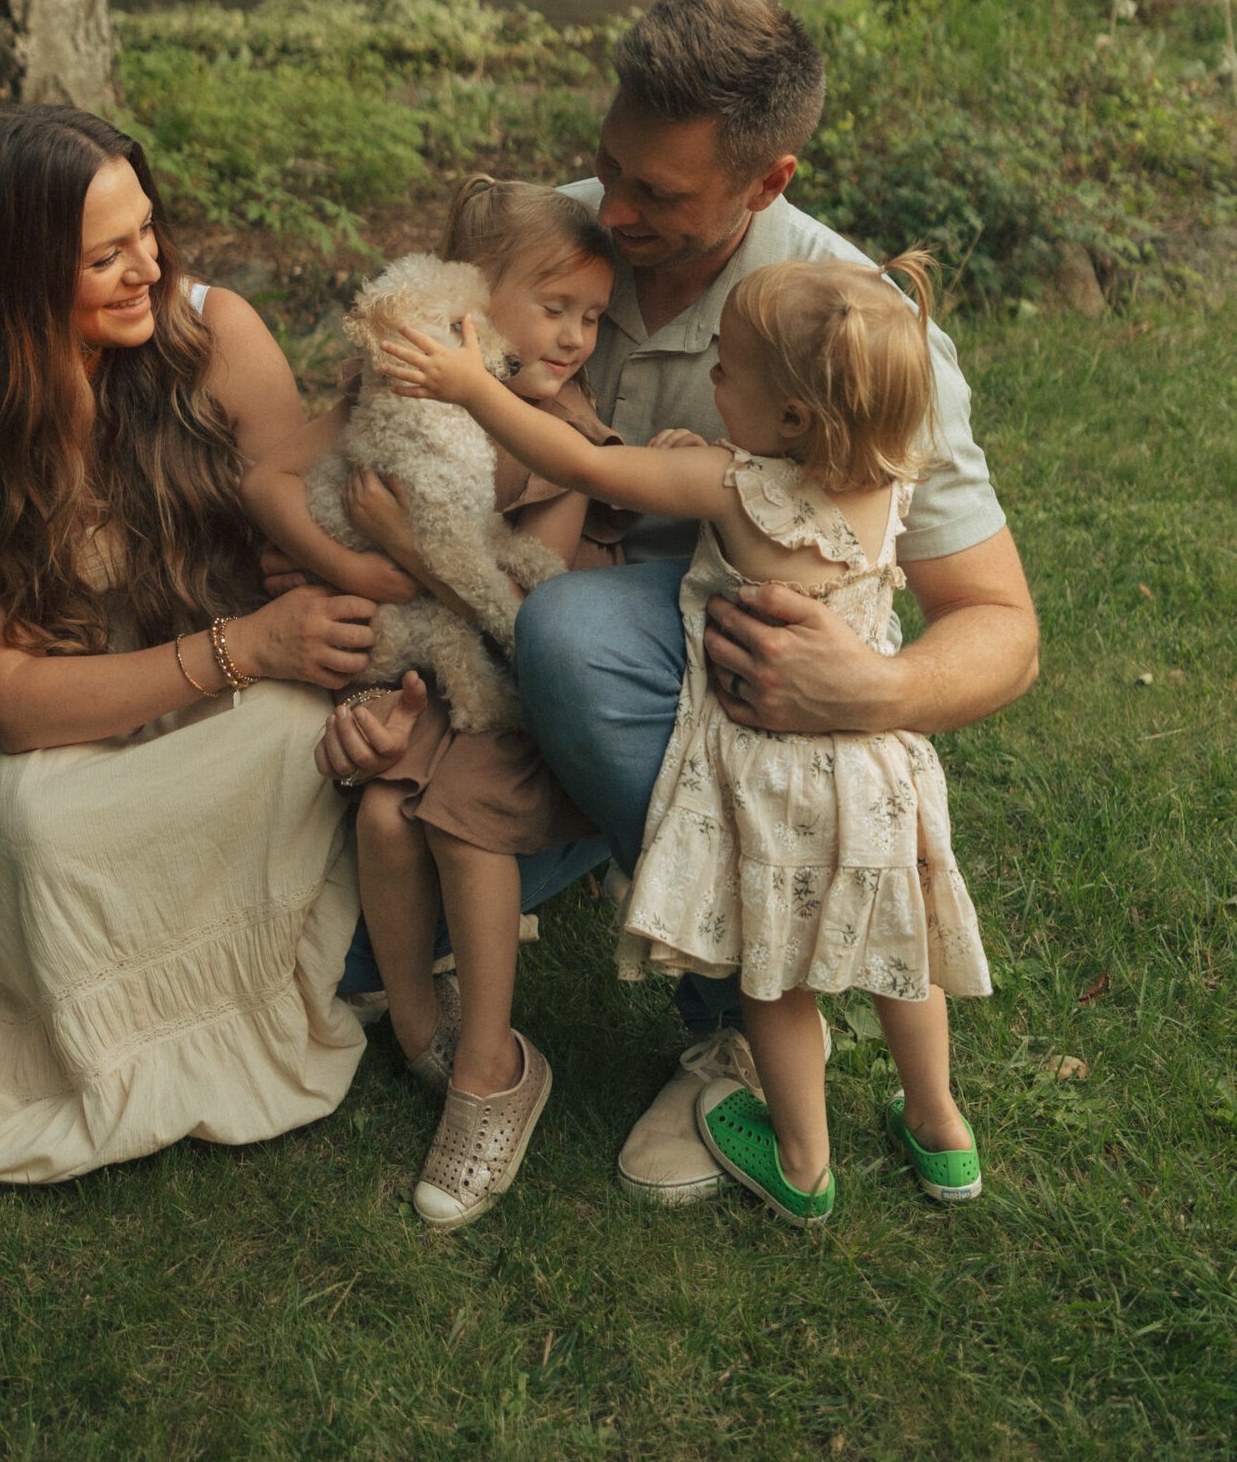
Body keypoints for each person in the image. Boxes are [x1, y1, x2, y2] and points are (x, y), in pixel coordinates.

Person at [320, 0, 1037, 1209]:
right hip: (516, 627)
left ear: (767, 182)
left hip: (699, 672)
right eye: (611, 166)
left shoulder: (842, 328)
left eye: (661, 194)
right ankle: (583, 863)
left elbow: (1003, 626)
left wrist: (874, 684)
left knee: (570, 632)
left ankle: (742, 1021)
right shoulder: (564, 242)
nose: (621, 208)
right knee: (338, 953)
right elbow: (376, 417)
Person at [0, 105, 384, 1184]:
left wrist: (291, 601)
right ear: (11, 275)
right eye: (106, 254)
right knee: (32, 831)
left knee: (303, 734)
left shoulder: (215, 335)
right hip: (56, 701)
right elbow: (8, 695)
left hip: (229, 685)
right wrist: (247, 646)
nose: (148, 264)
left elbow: (309, 536)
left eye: (147, 229)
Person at [380, 247, 992, 1228]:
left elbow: (577, 460)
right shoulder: (887, 476)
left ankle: (801, 1164)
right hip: (877, 770)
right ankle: (942, 1130)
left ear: (790, 420)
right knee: (901, 950)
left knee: (775, 975)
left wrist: (466, 385)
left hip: (772, 779)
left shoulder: (728, 486)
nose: (711, 384)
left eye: (727, 375)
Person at [244, 177, 620, 1230]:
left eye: (593, 317)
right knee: (378, 816)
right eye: (555, 308)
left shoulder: (559, 436)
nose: (577, 337)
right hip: (435, 671)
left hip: (523, 689)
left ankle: (490, 1072)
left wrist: (405, 557)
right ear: (468, 300)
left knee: (453, 826)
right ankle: (419, 1034)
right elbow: (270, 481)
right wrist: (350, 572)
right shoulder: (397, 388)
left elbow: (528, 626)